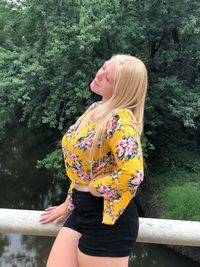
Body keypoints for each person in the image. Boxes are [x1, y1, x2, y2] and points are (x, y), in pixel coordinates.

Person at [39, 54, 148, 267]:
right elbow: (83, 167)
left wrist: (96, 187)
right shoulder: (96, 109)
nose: (99, 75)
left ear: (121, 90)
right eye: (103, 68)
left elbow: (133, 174)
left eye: (107, 78)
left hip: (108, 221)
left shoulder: (119, 120)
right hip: (83, 211)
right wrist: (70, 202)